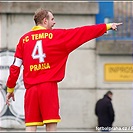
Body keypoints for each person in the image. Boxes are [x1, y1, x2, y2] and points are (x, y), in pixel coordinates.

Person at [5, 8, 121, 132]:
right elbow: (82, 33)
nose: (54, 22)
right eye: (52, 19)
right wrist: (106, 26)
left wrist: (10, 88)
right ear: (45, 21)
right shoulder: (56, 36)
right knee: (51, 126)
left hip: (31, 90)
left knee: (30, 126)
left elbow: (15, 67)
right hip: (48, 88)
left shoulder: (23, 40)